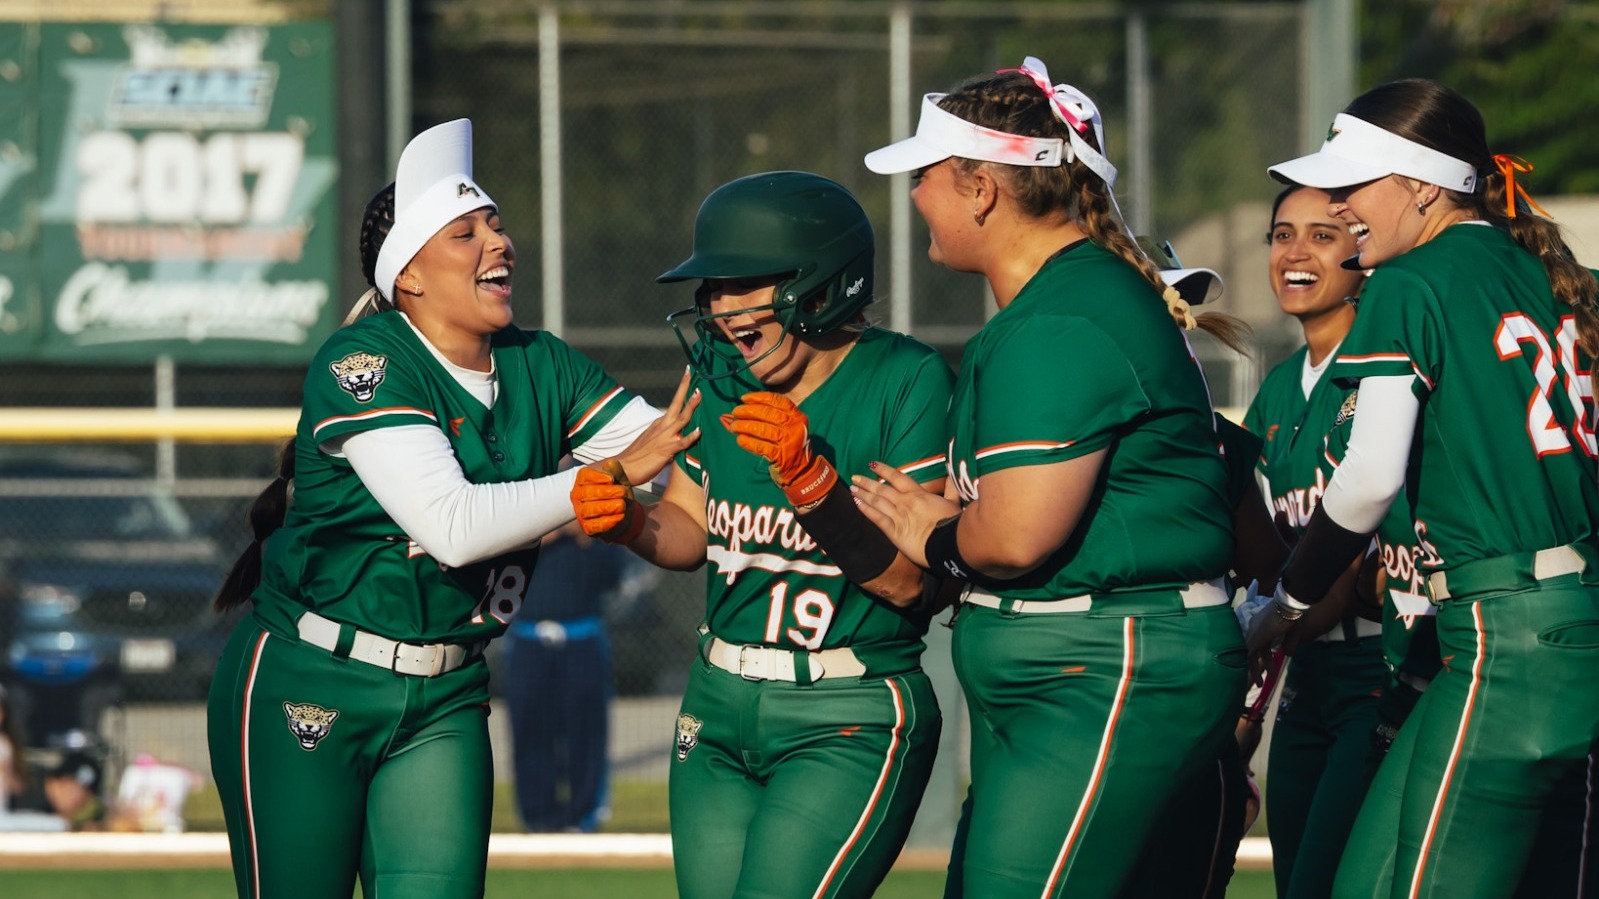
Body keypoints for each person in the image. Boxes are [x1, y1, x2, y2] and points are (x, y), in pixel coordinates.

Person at [206, 118, 699, 899]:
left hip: (447, 689)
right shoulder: (364, 361)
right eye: (464, 232)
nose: (498, 244)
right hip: (315, 676)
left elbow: (680, 444)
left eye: (496, 225)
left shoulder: (541, 362)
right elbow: (451, 524)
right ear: (409, 276)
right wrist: (602, 478)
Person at [853, 56, 1246, 897]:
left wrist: (928, 529)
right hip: (1087, 665)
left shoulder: (1064, 315)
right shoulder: (1060, 302)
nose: (915, 193)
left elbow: (1014, 536)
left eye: (926, 175)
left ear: (981, 189)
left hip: (1102, 665)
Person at [1255, 78, 1599, 898]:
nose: (1339, 205)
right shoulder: (1539, 273)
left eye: (1352, 184)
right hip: (1545, 622)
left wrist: (1286, 600)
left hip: (1504, 633)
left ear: (1420, 186)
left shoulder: (1412, 280)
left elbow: (1368, 479)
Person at [571, 170, 951, 899]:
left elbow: (910, 586)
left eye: (741, 282)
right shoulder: (720, 373)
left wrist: (811, 481)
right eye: (710, 288)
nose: (718, 307)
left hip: (846, 708)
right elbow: (689, 528)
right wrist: (631, 524)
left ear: (822, 283)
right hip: (715, 703)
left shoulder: (906, 377)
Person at [1243, 183, 1392, 899]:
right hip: (1304, 677)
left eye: (1321, 235)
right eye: (1280, 234)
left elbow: (1351, 570)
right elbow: (1271, 552)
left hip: (1380, 664)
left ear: (1361, 251)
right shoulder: (1275, 391)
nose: (1294, 252)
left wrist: (1272, 619)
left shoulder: (1384, 365)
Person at [501, 518, 632, 833]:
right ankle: (537, 818)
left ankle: (584, 816)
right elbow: (499, 564)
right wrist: (546, 532)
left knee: (585, 731)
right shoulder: (523, 508)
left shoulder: (593, 524)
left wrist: (586, 536)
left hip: (581, 636)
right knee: (530, 732)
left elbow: (613, 577)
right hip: (528, 638)